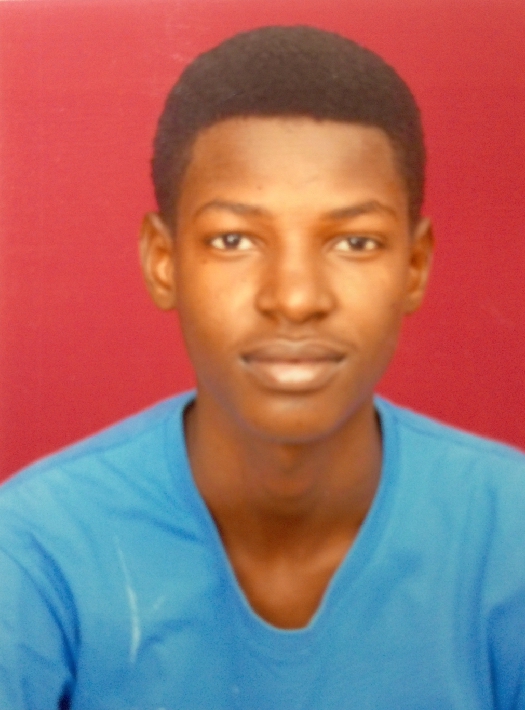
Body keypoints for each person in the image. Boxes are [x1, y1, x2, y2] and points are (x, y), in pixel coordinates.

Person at [0, 25, 524, 710]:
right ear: (164, 262)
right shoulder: (36, 549)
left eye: (355, 242)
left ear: (414, 266)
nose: (295, 298)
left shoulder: (509, 535)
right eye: (233, 239)